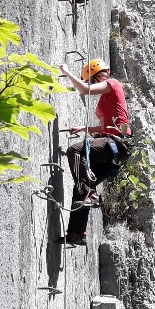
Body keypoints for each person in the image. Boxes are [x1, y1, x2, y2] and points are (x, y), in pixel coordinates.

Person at [58, 58, 132, 246]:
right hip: (115, 147)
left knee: (74, 151)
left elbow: (84, 90)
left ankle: (90, 194)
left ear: (98, 74)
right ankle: (77, 233)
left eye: (92, 80)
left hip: (116, 143)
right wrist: (83, 129)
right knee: (82, 184)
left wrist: (66, 71)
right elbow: (103, 126)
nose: (92, 84)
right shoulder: (108, 97)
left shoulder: (112, 84)